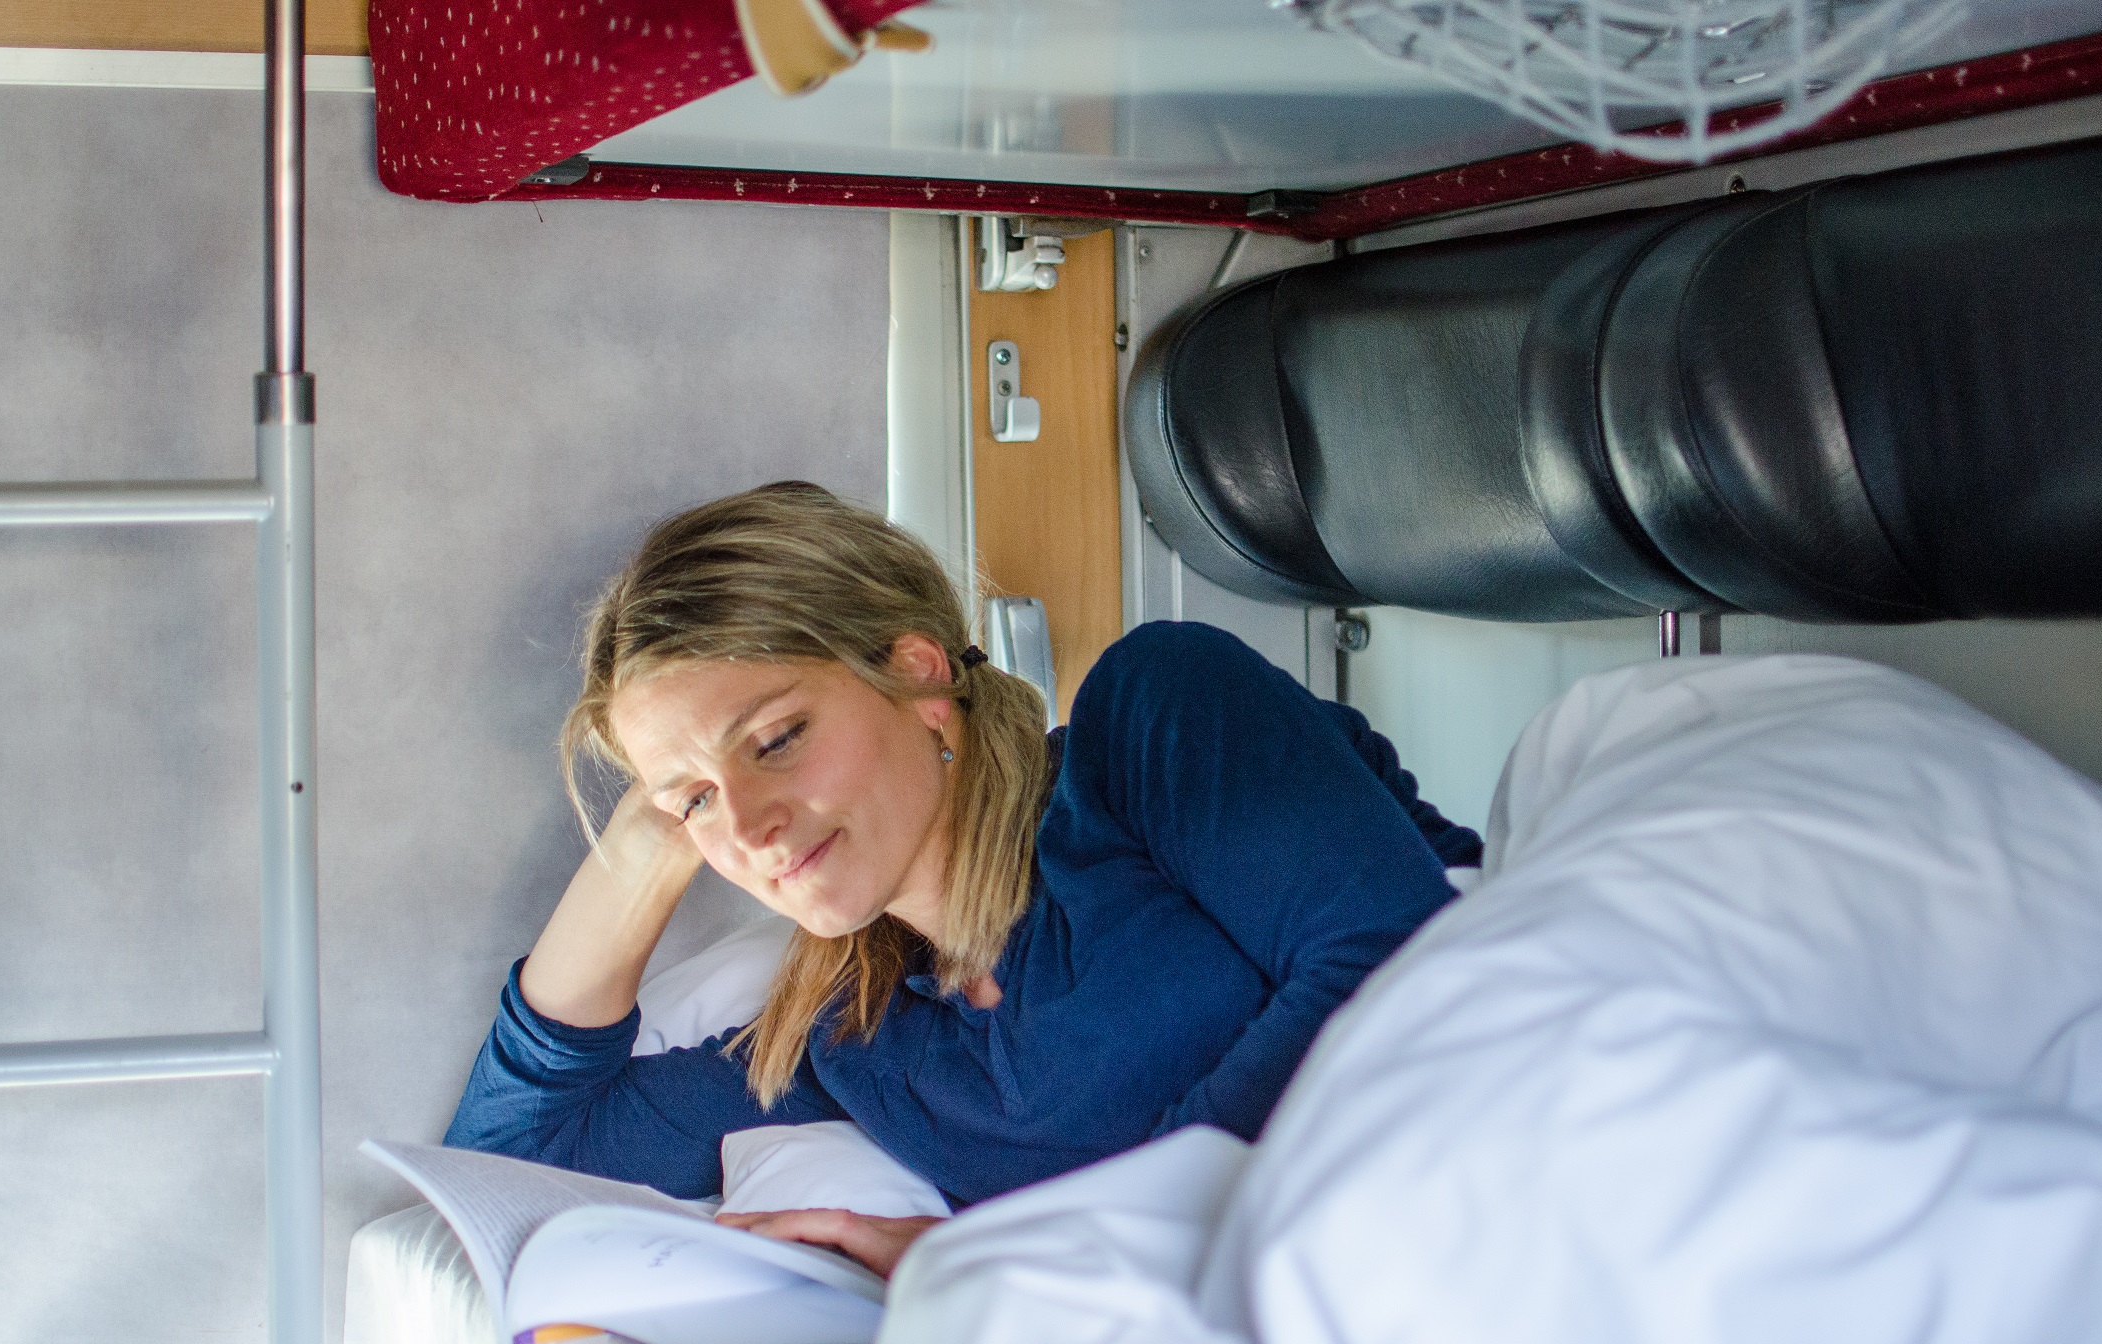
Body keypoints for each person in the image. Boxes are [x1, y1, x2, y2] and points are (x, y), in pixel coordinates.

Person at [445, 482, 1479, 1274]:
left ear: (920, 675)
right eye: (696, 799)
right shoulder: (854, 1033)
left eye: (775, 740)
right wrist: (646, 841)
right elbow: (510, 1166)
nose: (750, 830)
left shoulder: (1148, 722)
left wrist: (1013, 1267)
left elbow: (1391, 962)